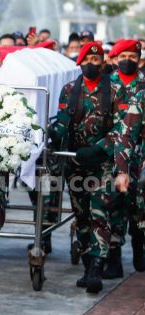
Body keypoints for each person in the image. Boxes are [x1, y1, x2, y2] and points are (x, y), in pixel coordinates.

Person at [49, 42, 123, 294]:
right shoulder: (69, 90)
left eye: (96, 60)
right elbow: (62, 121)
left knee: (99, 214)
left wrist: (101, 147)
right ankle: (87, 263)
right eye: (87, 60)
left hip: (102, 163)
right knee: (81, 215)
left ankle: (96, 268)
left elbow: (121, 128)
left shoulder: (114, 90)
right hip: (75, 162)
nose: (92, 64)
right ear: (80, 63)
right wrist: (55, 133)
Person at [106, 39, 145, 275]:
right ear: (114, 59)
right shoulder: (106, 86)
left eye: (133, 56)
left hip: (137, 155)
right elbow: (119, 130)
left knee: (139, 206)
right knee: (115, 205)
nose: (128, 60)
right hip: (116, 155)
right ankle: (114, 257)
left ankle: (139, 248)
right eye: (124, 56)